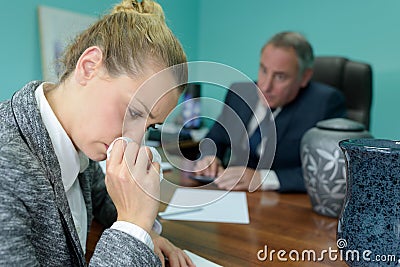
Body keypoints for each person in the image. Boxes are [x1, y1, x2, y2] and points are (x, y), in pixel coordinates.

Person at [0, 0, 195, 266]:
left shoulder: (76, 139)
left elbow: (104, 198)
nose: (133, 140)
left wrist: (145, 230)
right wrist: (132, 229)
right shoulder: (6, 167)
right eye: (133, 112)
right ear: (89, 66)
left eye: (150, 126)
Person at [195, 31, 346, 192]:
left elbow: (332, 172)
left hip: (285, 205)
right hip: (233, 194)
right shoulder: (239, 93)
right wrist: (209, 158)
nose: (265, 86)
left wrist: (263, 178)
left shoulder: (324, 103)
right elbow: (214, 138)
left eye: (280, 77)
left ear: (304, 77)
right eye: (264, 70)